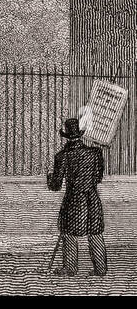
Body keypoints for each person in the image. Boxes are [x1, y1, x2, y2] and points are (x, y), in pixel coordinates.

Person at [49, 117, 107, 277]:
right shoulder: (96, 153)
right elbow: (98, 178)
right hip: (93, 199)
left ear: (66, 136)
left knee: (68, 233)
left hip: (74, 201)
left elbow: (55, 186)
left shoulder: (62, 156)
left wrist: (49, 177)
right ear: (80, 135)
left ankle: (70, 268)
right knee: (95, 232)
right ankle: (101, 269)